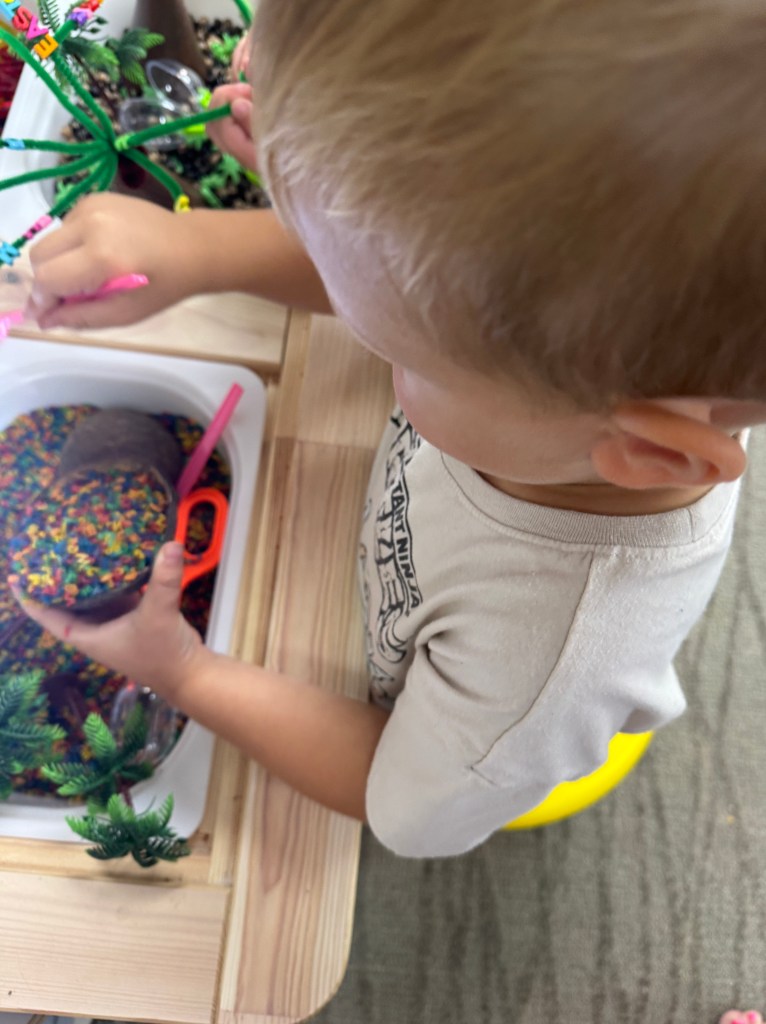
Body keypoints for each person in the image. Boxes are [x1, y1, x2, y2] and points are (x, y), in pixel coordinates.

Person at [15, 0, 766, 859]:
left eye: (404, 356)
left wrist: (182, 671)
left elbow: (405, 806)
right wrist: (211, 248)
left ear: (646, 452)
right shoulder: (557, 394)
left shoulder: (547, 660)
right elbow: (416, 297)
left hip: (464, 751)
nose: (376, 342)